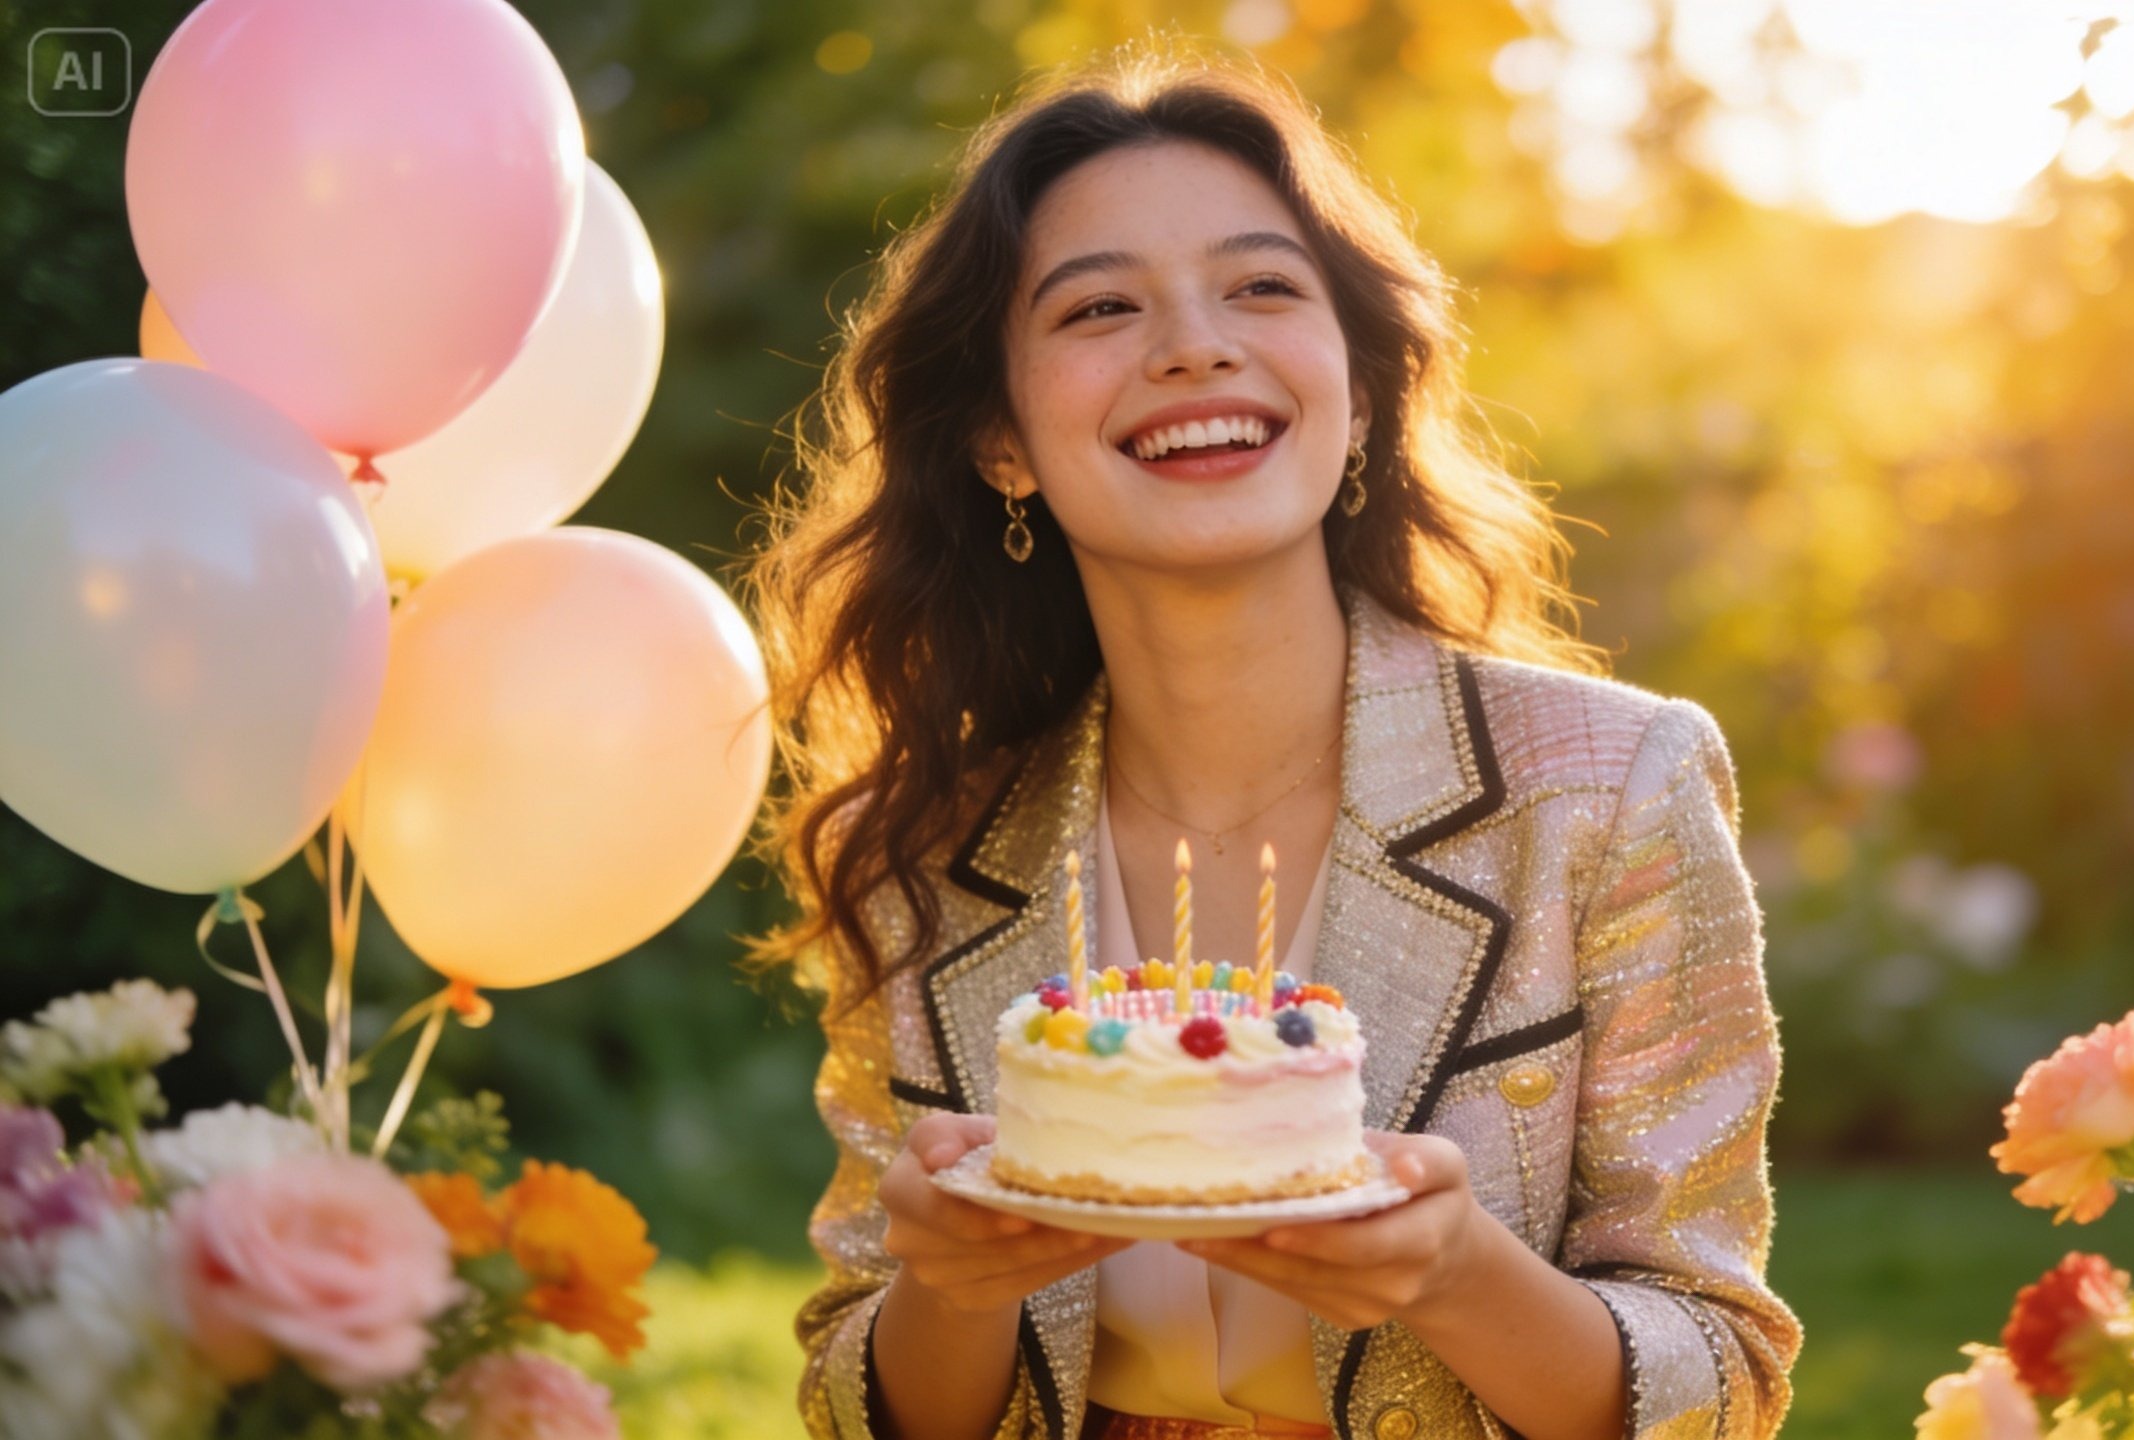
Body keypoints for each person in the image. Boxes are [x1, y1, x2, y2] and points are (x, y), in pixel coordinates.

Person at [745, 41, 1800, 1440]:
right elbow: (852, 1394)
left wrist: (1457, 1271)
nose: (1194, 344)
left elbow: (1722, 1382)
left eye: (1260, 287)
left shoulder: (1611, 789)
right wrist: (955, 1285)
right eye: (1100, 306)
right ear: (1002, 440)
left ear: (1357, 393)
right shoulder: (930, 854)